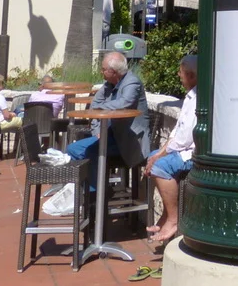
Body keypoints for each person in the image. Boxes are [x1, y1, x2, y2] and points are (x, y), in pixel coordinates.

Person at [65, 52, 148, 193]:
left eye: (103, 69)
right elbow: (95, 105)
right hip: (110, 135)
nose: (101, 71)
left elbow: (124, 102)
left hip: (129, 141)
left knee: (91, 152)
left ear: (113, 71)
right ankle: (87, 192)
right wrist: (97, 131)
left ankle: (95, 197)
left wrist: (101, 108)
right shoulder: (109, 84)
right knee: (73, 149)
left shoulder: (131, 82)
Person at [143, 54, 196, 245]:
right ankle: (167, 215)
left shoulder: (198, 98)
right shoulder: (190, 97)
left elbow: (184, 138)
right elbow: (176, 132)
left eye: (181, 73)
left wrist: (159, 157)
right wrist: (158, 154)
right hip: (183, 148)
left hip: (193, 154)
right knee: (153, 157)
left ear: (191, 75)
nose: (179, 76)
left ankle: (173, 220)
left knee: (160, 166)